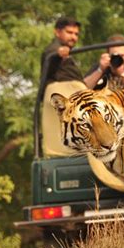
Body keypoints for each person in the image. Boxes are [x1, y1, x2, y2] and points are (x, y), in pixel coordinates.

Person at [41, 17, 102, 156]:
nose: (73, 37)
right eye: (69, 32)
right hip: (68, 106)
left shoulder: (68, 56)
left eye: (76, 34)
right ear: (57, 32)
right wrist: (59, 53)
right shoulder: (53, 51)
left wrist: (101, 69)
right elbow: (50, 57)